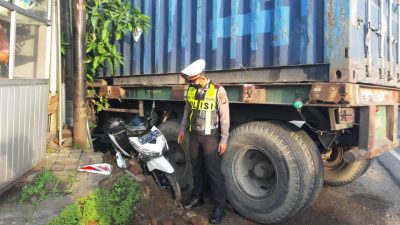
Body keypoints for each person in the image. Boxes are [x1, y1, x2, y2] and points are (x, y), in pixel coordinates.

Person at [177, 59, 230, 224]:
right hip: (194, 136)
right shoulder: (191, 90)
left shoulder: (217, 90)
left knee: (214, 172)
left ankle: (219, 207)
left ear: (200, 76)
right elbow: (187, 110)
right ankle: (197, 197)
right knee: (196, 167)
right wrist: (181, 129)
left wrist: (224, 139)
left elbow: (225, 117)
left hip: (210, 137)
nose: (190, 82)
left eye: (192, 80)